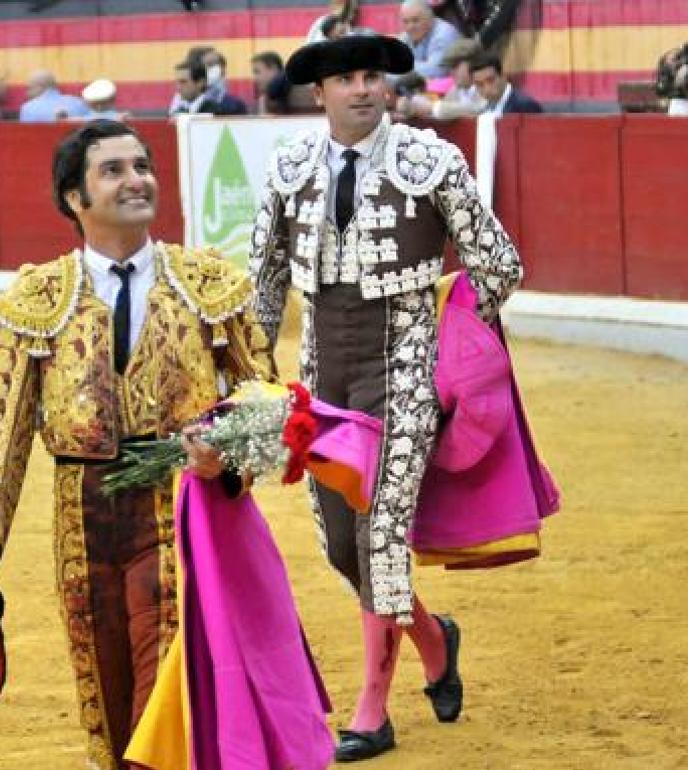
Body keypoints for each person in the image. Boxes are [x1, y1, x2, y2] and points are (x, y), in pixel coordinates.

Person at [0, 119, 273, 770]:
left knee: (165, 696)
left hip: (182, 506)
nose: (135, 180)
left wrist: (225, 450)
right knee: (106, 700)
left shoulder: (205, 282)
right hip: (81, 515)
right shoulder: (39, 298)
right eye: (113, 170)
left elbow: (267, 393)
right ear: (75, 197)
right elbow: (2, 430)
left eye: (141, 166)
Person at [249, 35, 523, 761]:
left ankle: (372, 711)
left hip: (402, 365)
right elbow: (266, 279)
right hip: (321, 373)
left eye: (372, 76)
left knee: (381, 536)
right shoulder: (289, 167)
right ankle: (434, 639)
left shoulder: (431, 161)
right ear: (319, 93)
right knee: (344, 546)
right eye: (347, 78)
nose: (364, 88)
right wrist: (249, 367)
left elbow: (498, 264)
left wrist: (453, 348)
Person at [397, 37, 485, 120]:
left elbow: (480, 109)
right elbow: (442, 115)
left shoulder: (486, 85)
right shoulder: (455, 89)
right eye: (449, 67)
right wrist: (413, 109)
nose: (451, 72)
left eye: (455, 66)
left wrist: (431, 107)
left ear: (473, 63)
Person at [399, 0, 461, 79]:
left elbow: (435, 71)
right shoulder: (409, 35)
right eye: (405, 21)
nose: (410, 27)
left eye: (415, 20)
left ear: (430, 18)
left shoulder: (444, 34)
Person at [471, 52, 543, 115]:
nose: (487, 89)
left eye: (491, 80)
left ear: (503, 76)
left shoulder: (525, 105)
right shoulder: (485, 108)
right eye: (479, 84)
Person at [169, 60, 244, 116]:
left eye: (183, 82)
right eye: (177, 82)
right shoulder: (177, 112)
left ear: (200, 83)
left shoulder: (217, 112)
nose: (178, 87)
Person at [18, 69, 88, 122]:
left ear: (40, 87)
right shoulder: (78, 102)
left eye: (29, 88)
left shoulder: (28, 108)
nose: (27, 93)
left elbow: (26, 134)